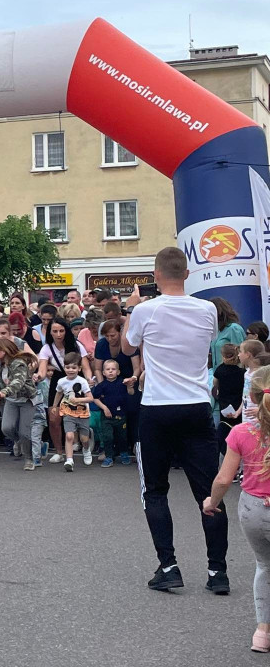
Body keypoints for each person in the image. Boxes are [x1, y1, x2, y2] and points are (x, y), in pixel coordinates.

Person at [123, 246, 229, 594]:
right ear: (186, 274)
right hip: (197, 405)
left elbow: (126, 348)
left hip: (157, 407)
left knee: (154, 490)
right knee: (209, 492)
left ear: (155, 276)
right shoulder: (207, 310)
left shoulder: (145, 310)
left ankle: (168, 566)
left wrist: (131, 308)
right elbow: (206, 342)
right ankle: (217, 573)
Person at [203, 365, 270, 652]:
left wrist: (211, 502)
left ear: (252, 398)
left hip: (253, 509)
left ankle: (262, 632)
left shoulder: (241, 432)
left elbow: (223, 479)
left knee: (265, 565)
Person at [0, 337, 38, 471]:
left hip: (26, 400)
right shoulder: (2, 365)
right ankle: (18, 441)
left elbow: (18, 381)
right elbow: (2, 379)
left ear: (4, 351)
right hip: (11, 401)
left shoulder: (19, 363)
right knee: (6, 428)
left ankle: (29, 459)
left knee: (25, 432)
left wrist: (5, 391)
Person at [51, 352, 95, 472]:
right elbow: (59, 392)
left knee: (84, 439)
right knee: (69, 436)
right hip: (68, 411)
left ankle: (86, 450)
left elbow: (90, 398)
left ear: (79, 368)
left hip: (83, 413)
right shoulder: (61, 381)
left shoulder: (82, 382)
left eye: (74, 367)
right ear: (64, 368)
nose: (70, 370)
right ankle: (69, 460)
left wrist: (78, 400)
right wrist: (55, 406)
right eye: (68, 367)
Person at [92, 359, 134, 467]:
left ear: (118, 372)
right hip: (107, 417)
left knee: (122, 436)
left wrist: (129, 386)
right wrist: (104, 408)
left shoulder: (123, 383)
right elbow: (95, 398)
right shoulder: (101, 386)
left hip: (121, 415)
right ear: (103, 372)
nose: (110, 371)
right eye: (108, 369)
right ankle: (109, 456)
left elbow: (131, 393)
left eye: (113, 369)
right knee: (108, 437)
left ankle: (124, 453)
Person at [213, 343, 246, 459]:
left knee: (222, 434)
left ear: (223, 356)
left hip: (224, 407)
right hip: (239, 407)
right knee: (236, 433)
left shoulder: (220, 370)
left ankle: (224, 455)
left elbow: (215, 385)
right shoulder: (242, 372)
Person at [211, 297, 247, 373]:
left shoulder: (233, 329)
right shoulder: (217, 331)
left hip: (232, 375)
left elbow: (239, 354)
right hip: (218, 374)